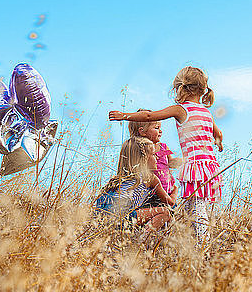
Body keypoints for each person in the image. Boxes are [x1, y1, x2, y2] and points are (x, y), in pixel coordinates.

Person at [109, 66, 223, 243]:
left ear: (180, 87)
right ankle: (190, 244)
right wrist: (218, 144)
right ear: (202, 89)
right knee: (191, 208)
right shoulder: (206, 112)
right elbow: (218, 134)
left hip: (195, 166)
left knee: (197, 209)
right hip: (209, 165)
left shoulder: (181, 109)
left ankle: (204, 245)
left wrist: (125, 116)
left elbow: (149, 116)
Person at [93, 136, 174, 232]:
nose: (156, 158)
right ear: (143, 159)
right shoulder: (150, 178)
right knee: (166, 213)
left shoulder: (118, 180)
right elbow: (170, 202)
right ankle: (142, 241)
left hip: (102, 219)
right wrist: (175, 190)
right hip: (121, 217)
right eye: (153, 155)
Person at [128, 110, 180, 208]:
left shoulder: (163, 147)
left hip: (167, 191)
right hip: (150, 195)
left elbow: (171, 163)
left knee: (170, 215)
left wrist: (182, 161)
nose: (160, 131)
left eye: (160, 128)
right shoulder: (140, 150)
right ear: (142, 131)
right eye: (156, 128)